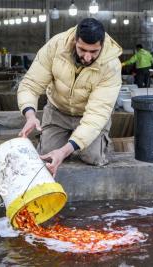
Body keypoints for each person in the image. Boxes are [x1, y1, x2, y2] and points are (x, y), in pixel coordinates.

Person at [17, 18, 122, 177]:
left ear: (102, 45)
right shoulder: (55, 46)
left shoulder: (111, 65)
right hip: (58, 111)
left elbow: (96, 115)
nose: (87, 57)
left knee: (94, 157)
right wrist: (30, 115)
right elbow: (31, 84)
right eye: (82, 50)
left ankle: (99, 142)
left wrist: (65, 151)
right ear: (74, 41)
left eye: (94, 52)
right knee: (47, 155)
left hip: (88, 115)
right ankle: (63, 142)